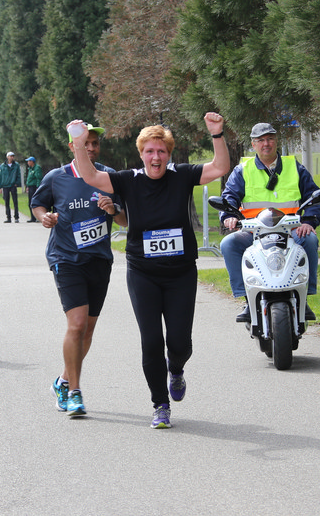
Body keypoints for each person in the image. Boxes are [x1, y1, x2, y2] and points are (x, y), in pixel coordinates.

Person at [69, 113, 230, 429]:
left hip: (181, 273)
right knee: (152, 340)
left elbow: (220, 167)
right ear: (141, 154)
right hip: (143, 273)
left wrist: (217, 134)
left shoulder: (182, 176)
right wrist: (78, 142)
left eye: (161, 151)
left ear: (168, 154)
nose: (156, 157)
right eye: (149, 151)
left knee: (179, 343)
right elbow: (89, 176)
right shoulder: (128, 180)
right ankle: (160, 404)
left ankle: (176, 369)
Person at [31, 125, 127, 418]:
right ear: (72, 147)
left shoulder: (109, 177)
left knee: (88, 329)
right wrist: (44, 218)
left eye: (95, 143)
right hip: (66, 258)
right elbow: (37, 204)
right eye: (85, 144)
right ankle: (74, 392)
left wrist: (113, 210)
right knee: (77, 324)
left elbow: (125, 220)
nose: (91, 149)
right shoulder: (56, 177)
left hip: (99, 260)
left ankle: (62, 381)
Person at [220, 122, 320, 324]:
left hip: (291, 230)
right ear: (253, 144)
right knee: (228, 244)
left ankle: (304, 297)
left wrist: (309, 221)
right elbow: (229, 197)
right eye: (260, 140)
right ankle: (248, 300)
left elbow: (313, 196)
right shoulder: (243, 170)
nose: (266, 144)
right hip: (254, 232)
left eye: (270, 139)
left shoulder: (295, 168)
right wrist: (229, 216)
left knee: (310, 239)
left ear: (276, 141)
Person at [0, 151, 22, 223]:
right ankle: (8, 217)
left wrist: (17, 183)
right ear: (7, 157)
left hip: (13, 185)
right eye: (10, 156)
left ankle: (16, 217)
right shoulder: (3, 166)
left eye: (12, 156)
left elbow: (18, 174)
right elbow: (0, 176)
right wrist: (0, 187)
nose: (11, 157)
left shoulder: (16, 165)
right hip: (5, 185)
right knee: (6, 202)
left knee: (15, 202)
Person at [24, 156, 43, 223]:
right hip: (30, 187)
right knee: (30, 202)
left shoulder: (37, 168)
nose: (28, 163)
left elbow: (38, 178)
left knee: (35, 202)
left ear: (32, 162)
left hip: (35, 187)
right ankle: (32, 218)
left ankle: (37, 217)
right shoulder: (30, 169)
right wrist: (27, 186)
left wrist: (38, 187)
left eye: (29, 161)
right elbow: (29, 178)